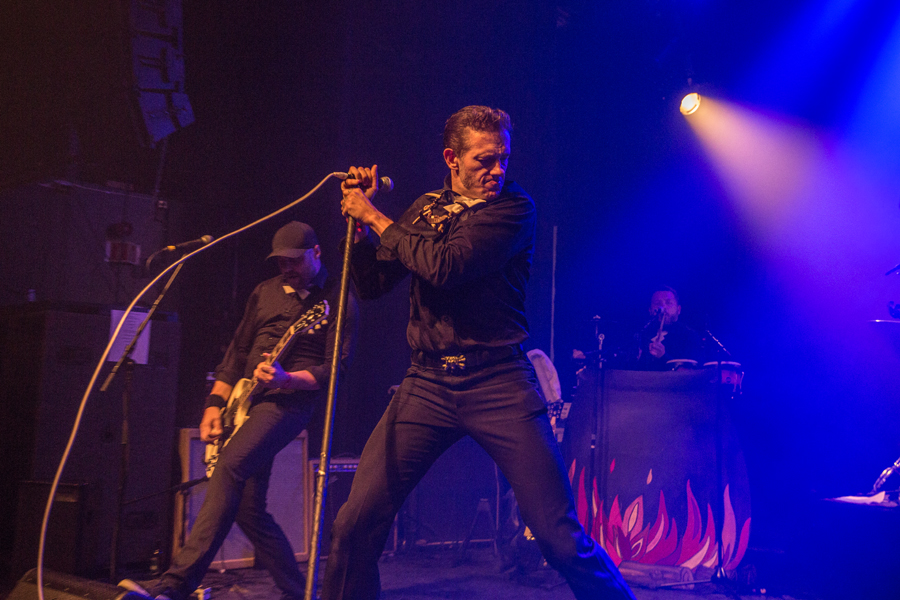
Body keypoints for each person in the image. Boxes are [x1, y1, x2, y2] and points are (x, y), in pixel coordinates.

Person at [322, 106, 635, 600]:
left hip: (498, 384)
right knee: (352, 526)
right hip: (427, 384)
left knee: (557, 537)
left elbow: (445, 267)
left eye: (502, 158)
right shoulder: (426, 208)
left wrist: (375, 216)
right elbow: (373, 283)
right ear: (452, 158)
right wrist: (359, 231)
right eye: (483, 160)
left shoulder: (513, 210)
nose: (496, 170)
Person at [127, 221, 358, 600]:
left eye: (295, 261)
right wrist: (214, 405)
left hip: (287, 403)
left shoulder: (338, 297)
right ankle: (299, 592)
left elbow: (336, 370)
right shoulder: (264, 292)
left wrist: (286, 379)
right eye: (281, 262)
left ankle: (175, 585)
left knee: (230, 466)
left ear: (316, 252)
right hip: (243, 401)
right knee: (248, 508)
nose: (287, 268)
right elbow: (236, 354)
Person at [636, 285, 703, 369]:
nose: (663, 307)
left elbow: (690, 372)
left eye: (669, 303)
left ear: (678, 309)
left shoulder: (688, 335)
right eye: (657, 303)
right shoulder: (643, 334)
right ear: (650, 310)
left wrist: (663, 357)